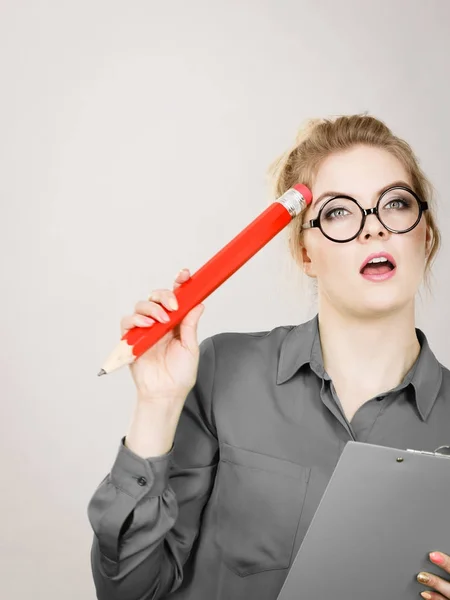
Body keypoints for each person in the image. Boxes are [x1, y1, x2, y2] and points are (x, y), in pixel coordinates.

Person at [87, 114, 450, 600]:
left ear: (424, 234)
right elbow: (129, 590)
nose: (374, 229)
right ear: (305, 251)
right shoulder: (222, 373)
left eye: (396, 204)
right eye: (340, 211)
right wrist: (157, 403)